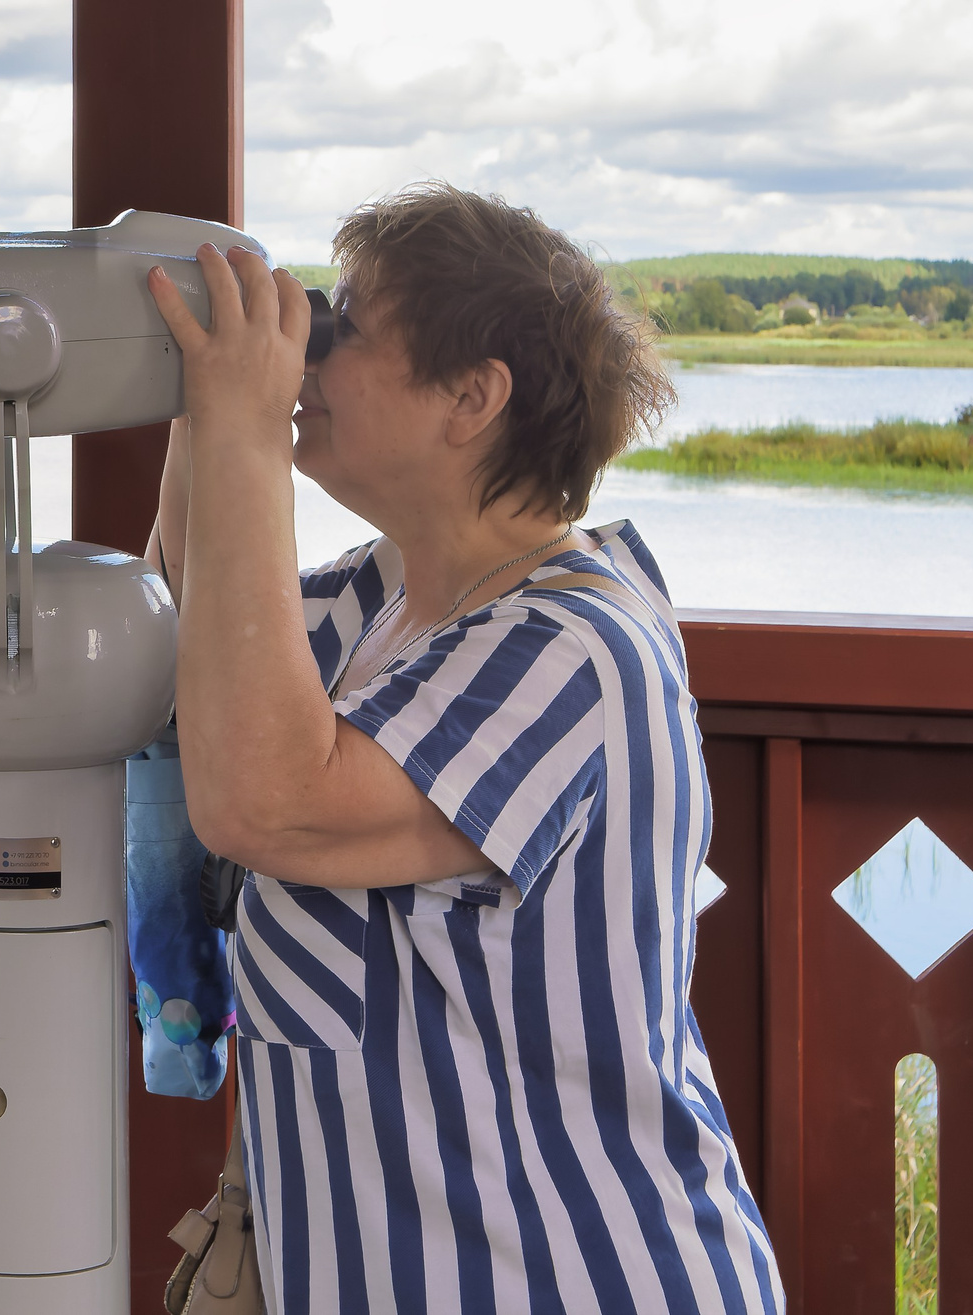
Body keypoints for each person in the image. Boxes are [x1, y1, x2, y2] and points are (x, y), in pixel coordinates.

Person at [144, 184, 782, 1313]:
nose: (314, 355)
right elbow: (204, 617)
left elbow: (269, 801)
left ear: (472, 396)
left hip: (566, 1275)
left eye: (344, 328)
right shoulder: (385, 600)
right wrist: (209, 397)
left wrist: (244, 417)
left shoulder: (571, 651)